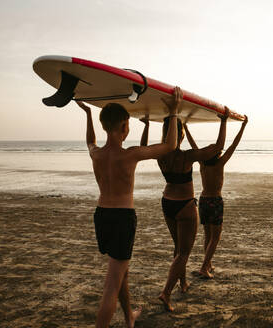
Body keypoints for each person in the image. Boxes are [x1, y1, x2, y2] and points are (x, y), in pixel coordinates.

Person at [76, 86, 181, 328]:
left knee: (120, 272)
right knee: (111, 285)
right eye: (128, 125)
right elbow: (170, 146)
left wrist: (88, 115)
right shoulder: (130, 155)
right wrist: (173, 113)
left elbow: (90, 142)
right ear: (124, 126)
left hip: (101, 216)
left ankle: (128, 318)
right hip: (122, 218)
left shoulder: (96, 155)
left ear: (105, 126)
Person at [140, 107, 229, 311]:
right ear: (180, 134)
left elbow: (142, 148)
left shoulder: (160, 155)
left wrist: (145, 126)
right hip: (185, 206)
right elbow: (218, 147)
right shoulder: (188, 156)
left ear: (165, 133)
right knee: (183, 253)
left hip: (167, 203)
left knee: (178, 247)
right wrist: (223, 121)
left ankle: (182, 283)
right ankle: (166, 292)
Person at [184, 115, 248, 279]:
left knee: (207, 235)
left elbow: (193, 146)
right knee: (215, 237)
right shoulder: (220, 163)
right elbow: (233, 145)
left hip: (204, 200)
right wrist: (243, 126)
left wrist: (186, 128)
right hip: (215, 201)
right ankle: (204, 267)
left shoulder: (203, 164)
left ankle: (208, 263)